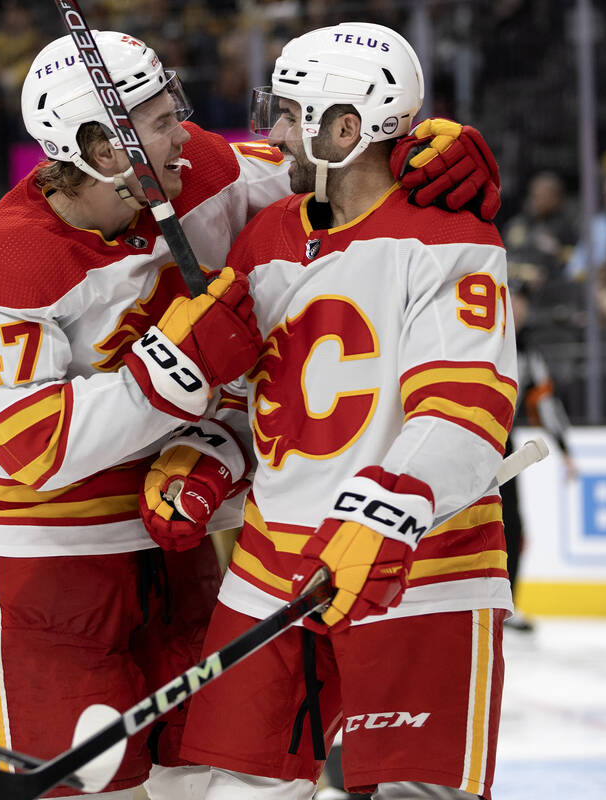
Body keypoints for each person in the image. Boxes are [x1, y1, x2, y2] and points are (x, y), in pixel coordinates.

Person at [0, 29, 502, 800]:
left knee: (199, 780)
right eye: (159, 118)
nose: (187, 129)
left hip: (180, 532)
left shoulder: (201, 168)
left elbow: (327, 165)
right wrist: (177, 372)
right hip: (49, 561)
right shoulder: (4, 261)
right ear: (104, 150)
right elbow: (23, 446)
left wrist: (424, 149)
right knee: (90, 789)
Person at [162, 22, 517, 800]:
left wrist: (386, 514)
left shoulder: (448, 235)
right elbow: (256, 405)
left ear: (344, 129)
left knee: (413, 794)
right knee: (218, 788)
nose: (276, 132)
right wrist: (207, 456)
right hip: (269, 570)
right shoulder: (266, 238)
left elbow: (467, 409)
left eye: (290, 114)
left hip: (422, 566)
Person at [499, 282, 576, 633]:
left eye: (523, 303)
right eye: (513, 301)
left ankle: (505, 604)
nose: (519, 309)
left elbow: (545, 402)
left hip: (503, 442)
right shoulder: (480, 337)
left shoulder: (528, 351)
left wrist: (565, 451)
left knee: (511, 525)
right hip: (467, 438)